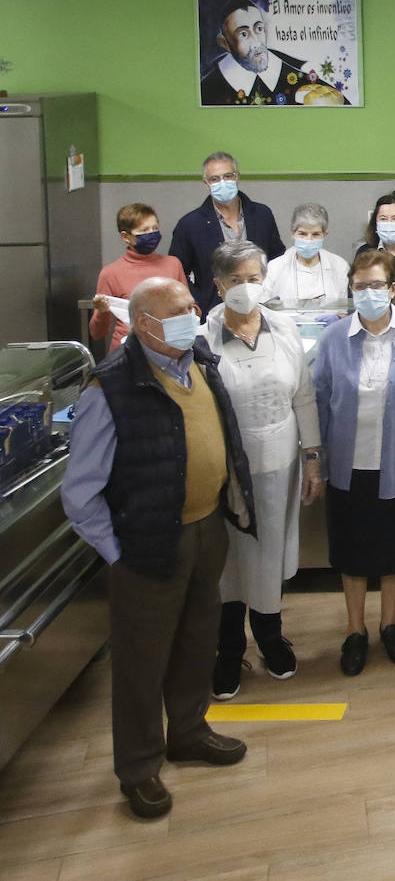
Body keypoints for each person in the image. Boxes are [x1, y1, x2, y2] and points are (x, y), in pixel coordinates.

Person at [61, 276, 255, 820]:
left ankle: (189, 731)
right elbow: (79, 493)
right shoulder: (111, 389)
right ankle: (140, 768)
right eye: (177, 310)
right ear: (144, 323)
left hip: (205, 528)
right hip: (145, 545)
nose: (192, 315)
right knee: (142, 661)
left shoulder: (197, 358)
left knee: (198, 640)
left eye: (191, 306)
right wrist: (120, 554)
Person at [198, 241, 324, 698]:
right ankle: (229, 648)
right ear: (218, 285)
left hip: (280, 462)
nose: (246, 288)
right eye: (235, 281)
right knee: (228, 560)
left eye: (254, 278)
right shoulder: (201, 338)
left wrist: (312, 458)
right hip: (225, 469)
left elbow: (303, 396)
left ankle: (270, 636)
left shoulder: (285, 328)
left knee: (270, 552)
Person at [314, 250, 395, 675]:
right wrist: (314, 457)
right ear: (350, 289)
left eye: (377, 285)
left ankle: (390, 622)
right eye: (359, 286)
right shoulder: (334, 338)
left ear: (393, 289)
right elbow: (318, 400)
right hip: (347, 462)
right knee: (351, 552)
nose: (368, 293)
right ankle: (355, 631)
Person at [170, 151, 285, 314]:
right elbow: (176, 272)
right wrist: (198, 301)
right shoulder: (190, 224)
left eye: (228, 176)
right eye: (214, 179)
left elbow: (277, 259)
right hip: (214, 311)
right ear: (206, 183)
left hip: (261, 308)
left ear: (237, 176)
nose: (222, 182)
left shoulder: (262, 215)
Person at [199, 0, 347, 106]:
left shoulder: (299, 78)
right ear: (225, 43)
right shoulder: (208, 89)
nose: (256, 42)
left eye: (259, 29)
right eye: (244, 34)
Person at [91, 203, 188, 349]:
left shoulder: (173, 264)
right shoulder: (111, 273)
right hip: (128, 351)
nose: (152, 233)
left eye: (155, 228)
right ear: (126, 236)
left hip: (169, 349)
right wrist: (101, 311)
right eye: (144, 230)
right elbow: (97, 333)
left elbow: (191, 308)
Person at [262, 203, 350, 307]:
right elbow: (265, 309)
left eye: (315, 234)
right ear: (293, 234)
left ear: (324, 235)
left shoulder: (339, 266)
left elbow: (343, 309)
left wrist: (335, 318)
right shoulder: (275, 267)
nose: (309, 240)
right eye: (302, 234)